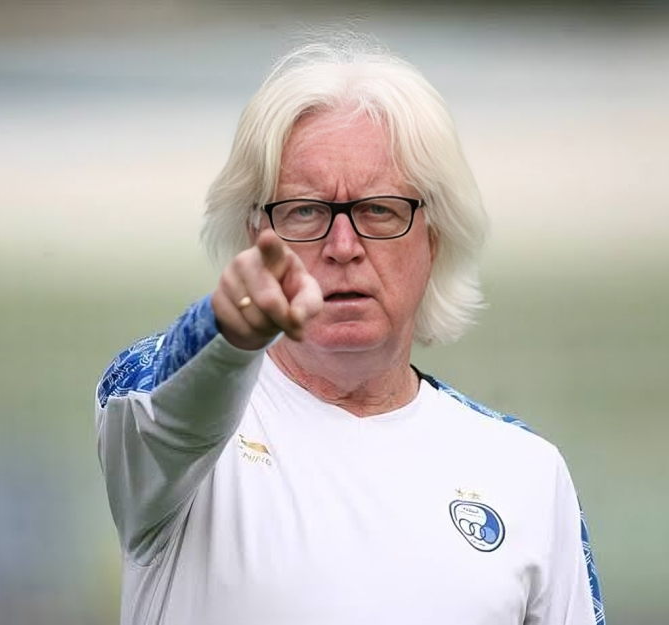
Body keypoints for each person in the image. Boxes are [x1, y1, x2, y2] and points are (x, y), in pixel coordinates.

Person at [95, 37, 605, 625]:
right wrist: (228, 325)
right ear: (256, 233)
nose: (343, 246)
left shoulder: (526, 473)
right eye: (305, 210)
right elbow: (164, 397)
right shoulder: (174, 445)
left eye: (379, 209)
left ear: (435, 237)